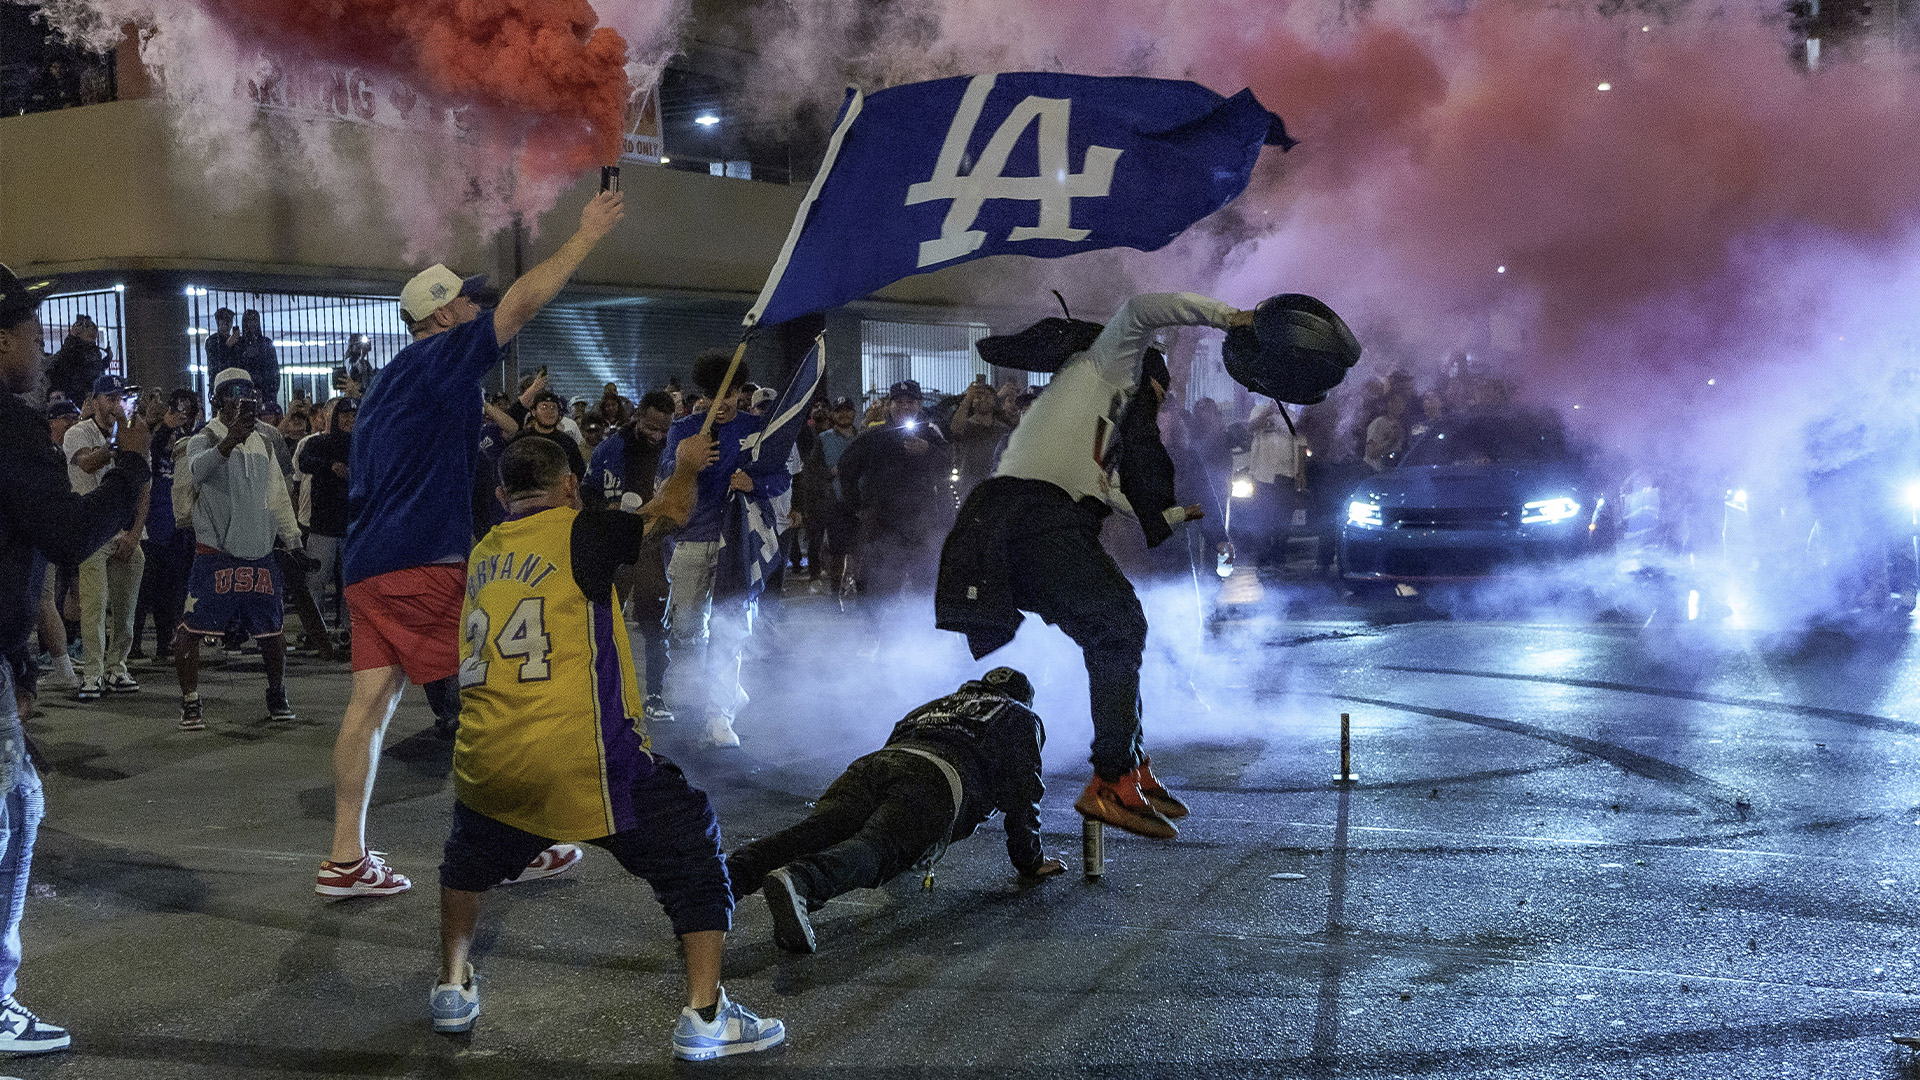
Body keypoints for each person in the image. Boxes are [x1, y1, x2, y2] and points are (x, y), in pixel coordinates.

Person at [432, 435, 786, 1062]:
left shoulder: (483, 549)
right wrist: (684, 466)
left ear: (500, 494)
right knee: (692, 848)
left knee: (469, 856)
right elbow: (669, 513)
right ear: (570, 485)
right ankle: (707, 1016)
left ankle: (452, 987)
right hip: (582, 754)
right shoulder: (580, 531)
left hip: (487, 755)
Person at [320, 191, 627, 900]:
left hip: (372, 565)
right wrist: (583, 238)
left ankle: (345, 859)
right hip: (421, 560)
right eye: (464, 303)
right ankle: (512, 844)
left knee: (369, 708)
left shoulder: (395, 383)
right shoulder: (435, 361)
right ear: (438, 318)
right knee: (492, 696)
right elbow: (519, 307)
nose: (475, 312)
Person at [936, 294, 1254, 840]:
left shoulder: (1101, 426)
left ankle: (1127, 765)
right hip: (1030, 516)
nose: (1162, 402)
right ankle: (1111, 779)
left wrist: (1175, 514)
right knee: (1119, 625)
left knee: (1115, 632)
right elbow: (1139, 309)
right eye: (1162, 390)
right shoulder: (1104, 367)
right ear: (1147, 375)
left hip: (1032, 519)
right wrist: (1230, 318)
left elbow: (1102, 493)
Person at [0, 263, 154, 1055]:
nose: (41, 344)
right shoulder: (6, 424)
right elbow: (65, 534)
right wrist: (131, 464)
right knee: (9, 815)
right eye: (29, 333)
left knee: (21, 805)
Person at [725, 667, 1064, 954]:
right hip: (936, 778)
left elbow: (895, 740)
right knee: (880, 847)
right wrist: (1029, 861)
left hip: (874, 764)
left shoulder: (935, 705)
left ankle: (728, 878)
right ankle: (803, 881)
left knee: (816, 830)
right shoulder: (1021, 715)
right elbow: (1023, 791)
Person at [657, 350, 790, 749]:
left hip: (741, 542)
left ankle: (719, 714)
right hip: (693, 537)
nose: (726, 400)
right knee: (686, 630)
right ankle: (709, 699)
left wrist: (755, 485)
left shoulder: (759, 428)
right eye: (718, 392)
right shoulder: (684, 430)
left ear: (741, 391)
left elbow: (781, 477)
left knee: (730, 629)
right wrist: (686, 463)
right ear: (705, 393)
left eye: (731, 391)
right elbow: (665, 478)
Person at [172, 369, 308, 729]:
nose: (240, 399)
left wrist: (293, 541)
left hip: (259, 551)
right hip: (215, 553)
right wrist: (230, 439)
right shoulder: (201, 438)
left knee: (272, 632)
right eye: (232, 393)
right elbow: (198, 471)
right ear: (217, 400)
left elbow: (277, 494)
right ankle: (190, 701)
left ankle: (277, 693)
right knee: (192, 629)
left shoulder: (264, 440)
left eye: (247, 392)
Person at [583, 390, 677, 724]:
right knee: (605, 622)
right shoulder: (609, 449)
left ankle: (654, 694)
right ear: (637, 414)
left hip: (654, 550)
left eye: (663, 429)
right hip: (615, 547)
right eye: (651, 426)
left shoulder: (673, 449)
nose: (657, 435)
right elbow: (589, 492)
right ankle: (604, 692)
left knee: (655, 625)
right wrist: (605, 511)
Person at [65, 374, 148, 700]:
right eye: (109, 399)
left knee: (126, 610)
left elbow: (145, 486)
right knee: (94, 606)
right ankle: (93, 674)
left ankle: (117, 666)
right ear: (95, 400)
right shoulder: (78, 432)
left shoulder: (134, 433)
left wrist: (135, 534)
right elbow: (85, 463)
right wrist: (118, 445)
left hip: (124, 531)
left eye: (119, 399)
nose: (116, 405)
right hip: (91, 533)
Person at [836, 380, 954, 601]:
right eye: (898, 402)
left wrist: (927, 451)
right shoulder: (874, 436)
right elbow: (846, 467)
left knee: (926, 590)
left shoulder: (930, 434)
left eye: (910, 402)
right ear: (889, 405)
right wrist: (858, 506)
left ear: (919, 405)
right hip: (882, 526)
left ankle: (926, 632)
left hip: (922, 524)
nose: (904, 407)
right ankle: (875, 633)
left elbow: (947, 466)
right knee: (878, 590)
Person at [133, 389, 200, 663]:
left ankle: (166, 642)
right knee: (143, 589)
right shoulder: (154, 436)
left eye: (188, 409)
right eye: (177, 409)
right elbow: (146, 454)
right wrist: (163, 429)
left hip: (180, 525)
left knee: (172, 589)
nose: (182, 414)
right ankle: (133, 645)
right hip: (154, 523)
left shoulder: (196, 438)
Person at [297, 395, 355, 646]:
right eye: (345, 416)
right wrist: (329, 466)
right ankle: (315, 632)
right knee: (316, 581)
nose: (350, 421)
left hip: (352, 526)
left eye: (354, 416)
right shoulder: (318, 443)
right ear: (334, 418)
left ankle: (348, 631)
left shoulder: (363, 446)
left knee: (350, 585)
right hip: (323, 526)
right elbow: (304, 462)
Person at [45, 314, 106, 406]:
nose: (93, 330)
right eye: (88, 327)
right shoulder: (75, 347)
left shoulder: (94, 351)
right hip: (75, 395)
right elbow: (65, 361)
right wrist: (72, 336)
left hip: (88, 394)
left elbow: (95, 369)